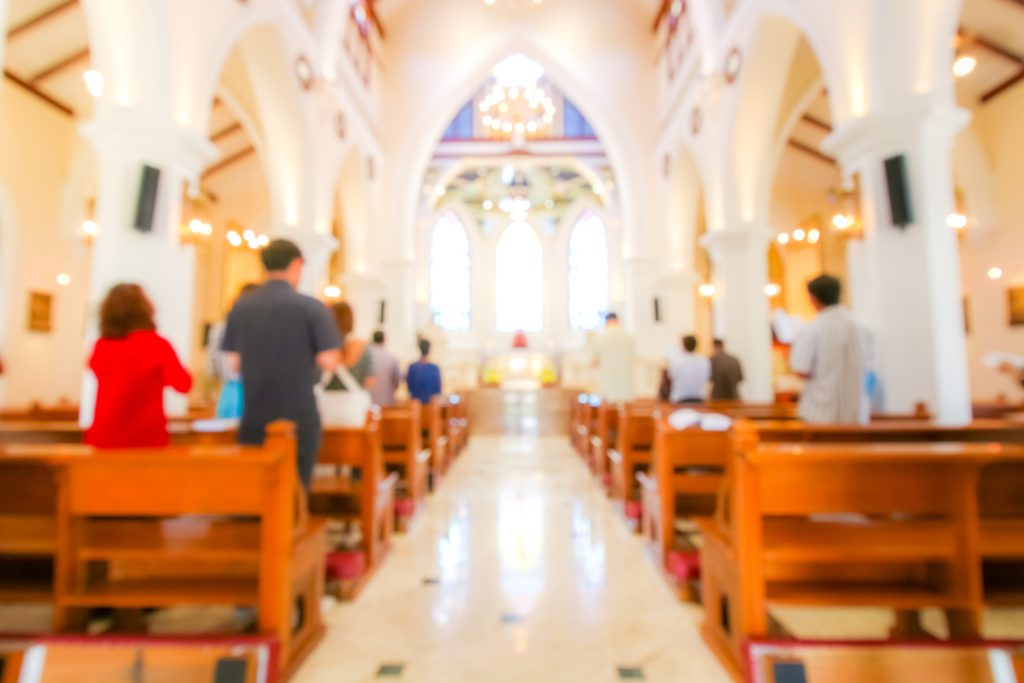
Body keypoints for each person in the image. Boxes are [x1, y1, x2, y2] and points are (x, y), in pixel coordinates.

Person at [222, 239, 342, 487]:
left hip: (255, 412)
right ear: (297, 264)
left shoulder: (241, 306)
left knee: (257, 487)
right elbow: (329, 360)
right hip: (298, 413)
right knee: (295, 488)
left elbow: (234, 363)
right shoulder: (311, 307)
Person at [85, 283, 192, 448]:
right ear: (145, 309)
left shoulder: (101, 346)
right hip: (145, 440)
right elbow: (183, 384)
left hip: (105, 439)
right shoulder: (157, 345)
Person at [789, 274, 871, 424]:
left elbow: (802, 370)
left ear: (813, 298)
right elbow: (870, 366)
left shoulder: (811, 330)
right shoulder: (862, 327)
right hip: (856, 411)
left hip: (821, 411)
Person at [209, 283, 258, 419]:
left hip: (228, 392)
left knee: (227, 437)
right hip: (253, 393)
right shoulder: (259, 330)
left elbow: (212, 368)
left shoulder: (219, 329)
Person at [593, 312, 635, 403]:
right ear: (618, 321)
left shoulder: (600, 337)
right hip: (625, 382)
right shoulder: (629, 337)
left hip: (608, 382)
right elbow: (633, 357)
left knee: (608, 406)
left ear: (606, 322)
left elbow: (595, 361)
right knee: (623, 407)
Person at [330, 301, 373, 388]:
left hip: (323, 399)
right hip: (353, 399)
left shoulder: (322, 345)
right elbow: (370, 380)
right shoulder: (363, 346)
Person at [667, 335, 710, 405]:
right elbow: (707, 377)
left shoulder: (677, 361)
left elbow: (671, 377)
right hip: (699, 397)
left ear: (683, 345)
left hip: (680, 397)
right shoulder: (704, 361)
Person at [367, 330, 401, 407]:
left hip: (369, 402)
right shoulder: (392, 358)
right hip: (387, 401)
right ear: (384, 340)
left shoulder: (366, 357)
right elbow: (396, 380)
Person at [407, 338, 442, 405]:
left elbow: (409, 388)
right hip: (431, 406)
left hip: (416, 406)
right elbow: (438, 389)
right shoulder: (434, 368)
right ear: (429, 350)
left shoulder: (412, 367)